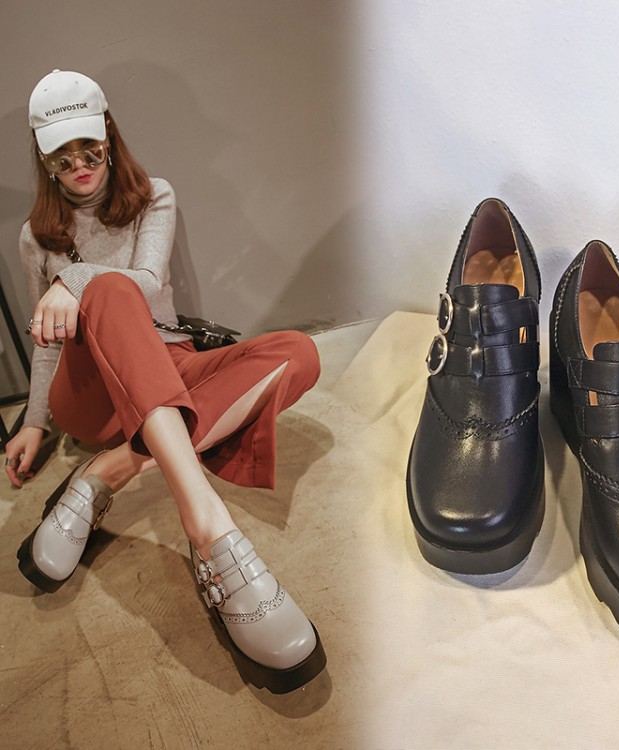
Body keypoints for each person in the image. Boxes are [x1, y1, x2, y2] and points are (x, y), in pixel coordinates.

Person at [4, 69, 326, 694]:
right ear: (44, 160)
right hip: (91, 390)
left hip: (167, 363)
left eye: (90, 150)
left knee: (299, 352)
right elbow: (48, 346)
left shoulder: (155, 196)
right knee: (110, 293)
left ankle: (111, 469)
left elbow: (149, 285)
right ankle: (209, 527)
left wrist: (75, 279)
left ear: (108, 135)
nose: (80, 167)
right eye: (63, 158)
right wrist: (35, 423)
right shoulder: (33, 238)